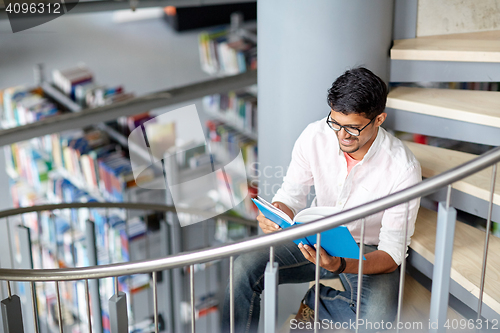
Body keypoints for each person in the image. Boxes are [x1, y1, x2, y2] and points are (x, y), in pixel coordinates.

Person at [221, 67, 421, 333]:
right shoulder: (314, 136)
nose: (342, 136)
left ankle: (319, 303)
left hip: (368, 250)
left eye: (353, 128)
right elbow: (291, 195)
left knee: (377, 321)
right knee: (243, 267)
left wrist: (338, 264)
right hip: (315, 239)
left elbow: (392, 254)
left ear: (379, 119)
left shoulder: (402, 168)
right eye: (335, 123)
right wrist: (277, 213)